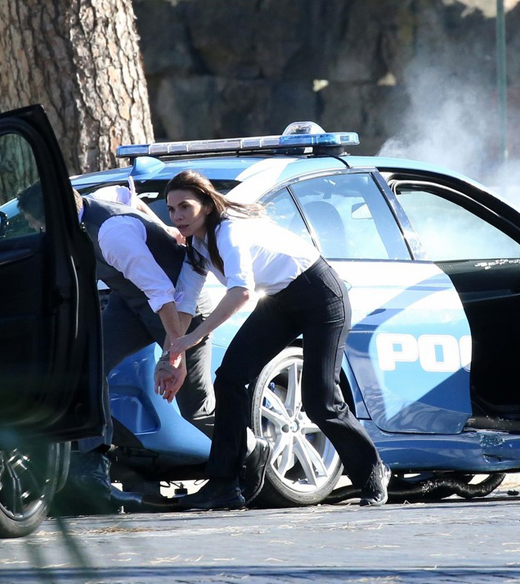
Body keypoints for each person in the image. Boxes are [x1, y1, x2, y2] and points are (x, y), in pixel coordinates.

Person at [158, 169, 391, 510]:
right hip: (281, 301)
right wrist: (172, 354)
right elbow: (184, 304)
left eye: (185, 207)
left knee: (321, 400)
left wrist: (194, 336)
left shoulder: (228, 231)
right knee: (230, 379)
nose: (177, 216)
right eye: (171, 209)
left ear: (206, 205)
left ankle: (372, 471)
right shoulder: (197, 245)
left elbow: (241, 292)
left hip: (320, 294)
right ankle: (224, 485)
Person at [17, 182, 215, 512]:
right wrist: (162, 227)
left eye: (39, 226)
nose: (39, 232)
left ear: (57, 218)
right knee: (86, 366)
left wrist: (173, 353)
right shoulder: (92, 203)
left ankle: (250, 458)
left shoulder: (113, 235)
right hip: (131, 302)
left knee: (195, 405)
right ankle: (93, 472)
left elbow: (162, 293)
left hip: (180, 308)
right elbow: (124, 193)